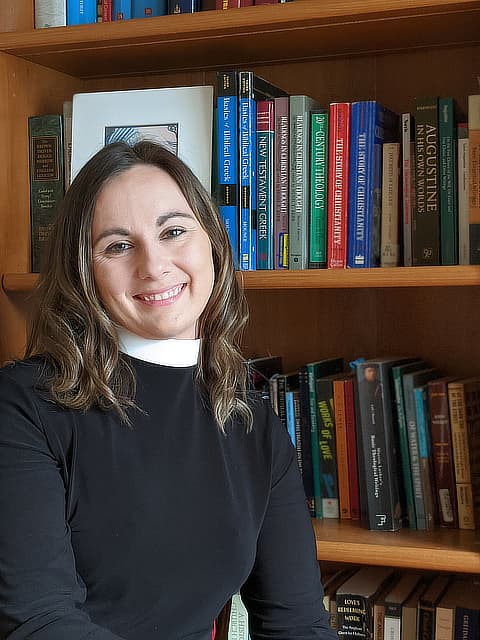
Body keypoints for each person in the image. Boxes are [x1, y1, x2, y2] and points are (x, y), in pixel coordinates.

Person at [0, 140, 337, 639]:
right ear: (83, 273)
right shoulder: (23, 405)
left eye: (174, 231)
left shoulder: (251, 421)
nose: (153, 266)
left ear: (213, 244)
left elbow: (298, 625)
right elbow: (40, 622)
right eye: (117, 246)